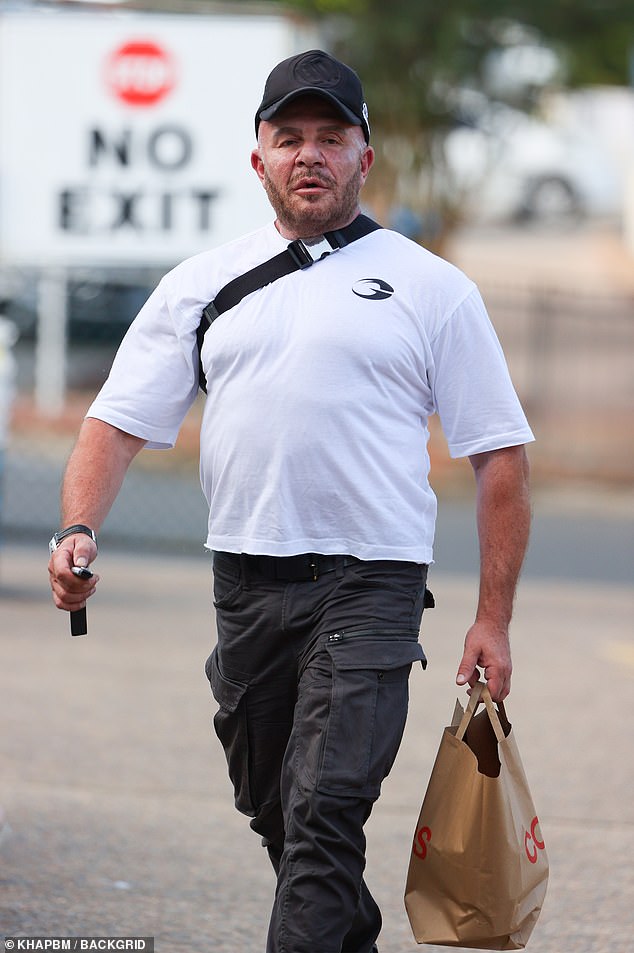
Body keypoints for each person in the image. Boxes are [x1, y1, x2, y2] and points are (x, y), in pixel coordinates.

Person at [48, 50, 533, 953]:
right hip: (246, 582)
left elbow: (500, 456)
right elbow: (113, 424)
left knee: (322, 812)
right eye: (290, 137)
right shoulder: (203, 283)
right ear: (259, 158)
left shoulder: (432, 288)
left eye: (330, 137)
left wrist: (492, 618)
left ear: (364, 157)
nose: (309, 154)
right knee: (278, 812)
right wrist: (78, 527)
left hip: (372, 584)